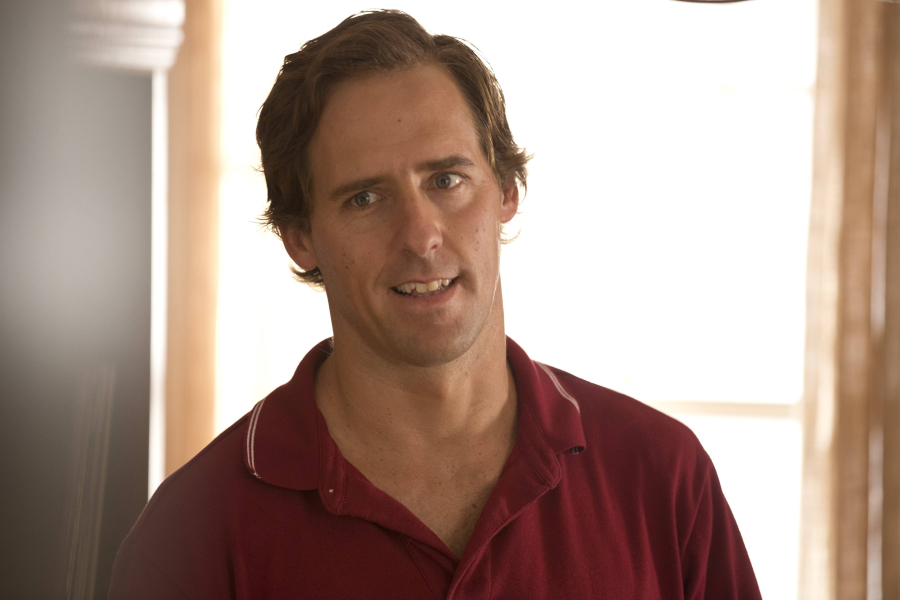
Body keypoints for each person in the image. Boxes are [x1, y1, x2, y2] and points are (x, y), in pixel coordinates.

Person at [109, 10, 762, 599]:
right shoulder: (191, 537)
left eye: (447, 179)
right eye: (365, 198)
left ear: (507, 190)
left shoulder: (663, 478)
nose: (421, 236)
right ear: (300, 237)